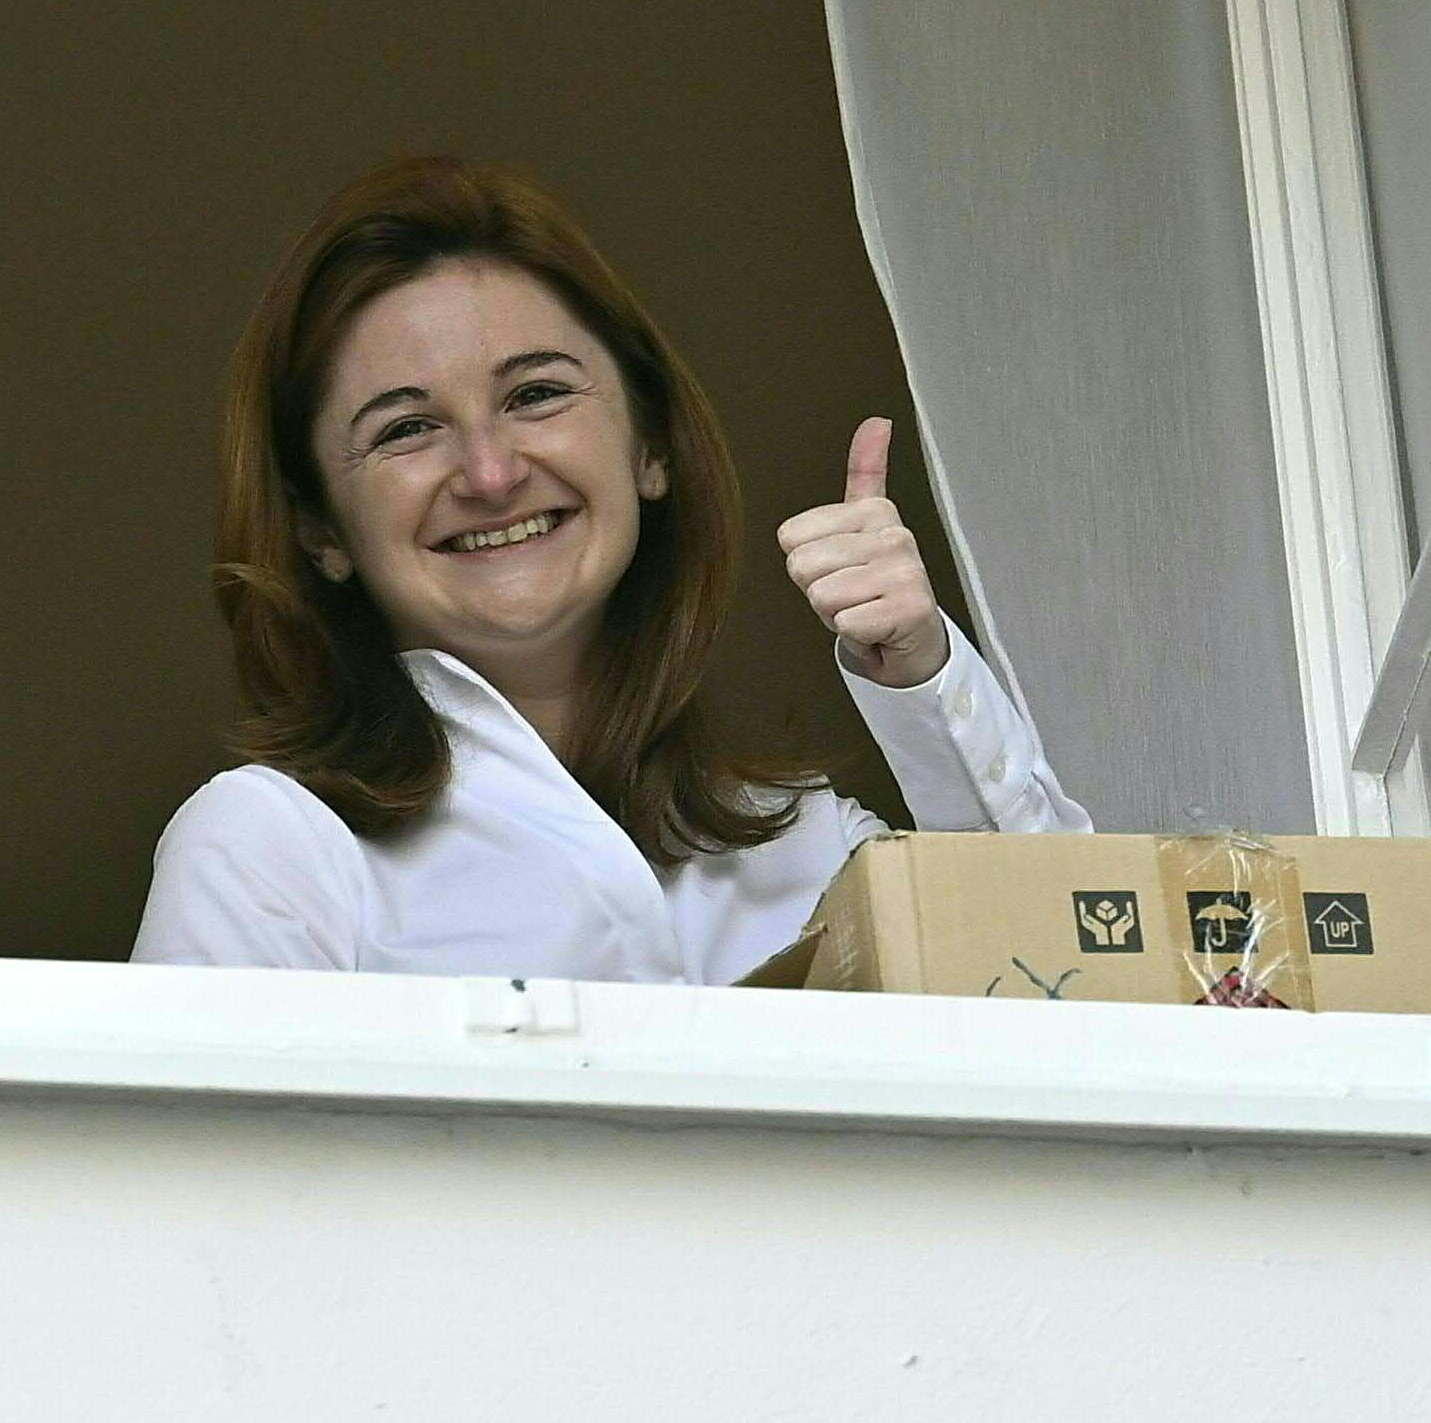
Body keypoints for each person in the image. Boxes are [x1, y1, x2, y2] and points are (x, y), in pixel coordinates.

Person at [132, 157, 1088, 982]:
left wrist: (920, 675)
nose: (490, 473)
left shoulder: (808, 844)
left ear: (650, 448)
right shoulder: (269, 849)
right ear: (319, 530)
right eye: (407, 428)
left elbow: (1075, 1003)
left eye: (535, 394)